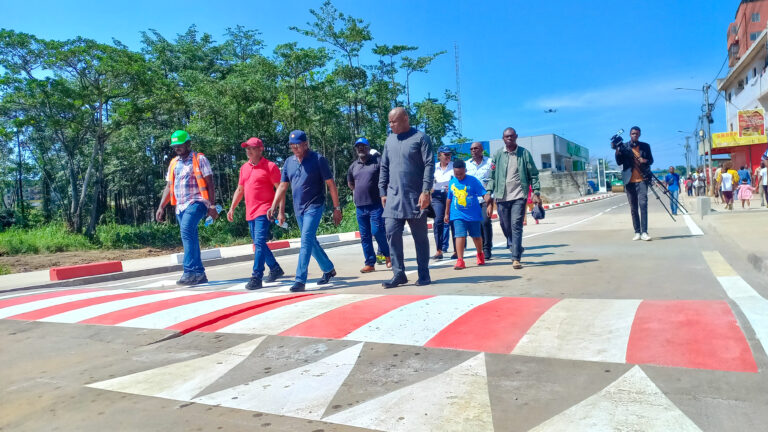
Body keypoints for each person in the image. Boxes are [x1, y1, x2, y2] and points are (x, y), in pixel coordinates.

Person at [268, 130, 342, 292]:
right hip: (298, 208)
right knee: (310, 241)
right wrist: (274, 207)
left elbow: (331, 185)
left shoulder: (318, 160)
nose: (294, 147)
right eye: (292, 145)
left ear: (306, 144)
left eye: (297, 144)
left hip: (315, 206)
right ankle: (328, 269)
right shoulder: (288, 162)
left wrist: (337, 208)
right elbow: (282, 186)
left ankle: (300, 279)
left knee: (306, 240)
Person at [379, 107, 434, 288]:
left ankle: (424, 274)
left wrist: (426, 190)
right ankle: (399, 273)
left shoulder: (420, 138)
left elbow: (428, 164)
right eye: (389, 121)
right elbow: (384, 167)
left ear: (405, 119)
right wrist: (382, 191)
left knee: (420, 237)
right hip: (393, 197)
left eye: (394, 121)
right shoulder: (389, 140)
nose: (391, 124)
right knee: (391, 233)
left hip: (415, 197)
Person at [155, 130, 218, 285]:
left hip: (197, 202)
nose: (177, 148)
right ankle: (199, 273)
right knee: (191, 236)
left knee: (186, 232)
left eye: (180, 144)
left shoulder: (199, 159)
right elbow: (169, 187)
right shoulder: (173, 163)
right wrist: (161, 206)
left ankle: (189, 271)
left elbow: (209, 183)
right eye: (175, 145)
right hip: (180, 206)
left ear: (188, 143)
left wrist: (212, 205)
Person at [227, 137, 286, 290]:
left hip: (265, 210)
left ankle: (256, 276)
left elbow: (281, 190)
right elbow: (240, 190)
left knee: (259, 242)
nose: (248, 151)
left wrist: (280, 211)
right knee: (258, 243)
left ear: (261, 149)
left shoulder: (270, 166)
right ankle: (275, 268)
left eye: (252, 148)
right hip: (250, 211)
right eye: (247, 148)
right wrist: (232, 207)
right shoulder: (244, 168)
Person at [487, 127, 541, 269]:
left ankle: (515, 257)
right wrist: (488, 191)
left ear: (516, 136)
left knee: (516, 225)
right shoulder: (498, 155)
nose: (509, 138)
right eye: (506, 136)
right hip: (501, 196)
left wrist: (536, 192)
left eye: (511, 136)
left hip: (519, 195)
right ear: (503, 138)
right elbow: (492, 176)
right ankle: (514, 245)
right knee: (505, 225)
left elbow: (534, 174)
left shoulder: (524, 154)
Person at [347, 137, 391, 273]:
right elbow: (351, 183)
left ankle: (389, 256)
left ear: (368, 148)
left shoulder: (377, 162)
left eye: (363, 146)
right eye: (358, 146)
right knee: (365, 236)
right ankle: (370, 263)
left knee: (377, 231)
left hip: (376, 205)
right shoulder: (353, 166)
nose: (360, 148)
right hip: (360, 206)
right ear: (356, 149)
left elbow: (386, 179)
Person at [445, 160, 488, 269]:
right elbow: (449, 199)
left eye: (461, 173)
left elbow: (483, 193)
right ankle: (460, 260)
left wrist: (489, 203)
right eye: (456, 174)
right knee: (459, 235)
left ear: (465, 170)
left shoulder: (473, 181)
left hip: (473, 214)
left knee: (476, 236)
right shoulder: (452, 182)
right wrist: (446, 213)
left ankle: (480, 254)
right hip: (457, 214)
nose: (459, 176)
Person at [614, 126, 654, 241]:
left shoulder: (645, 146)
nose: (634, 135)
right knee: (633, 208)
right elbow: (619, 162)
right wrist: (617, 150)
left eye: (636, 133)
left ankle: (644, 232)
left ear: (639, 134)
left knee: (643, 205)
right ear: (630, 135)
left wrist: (644, 160)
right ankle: (637, 232)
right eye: (632, 133)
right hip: (629, 180)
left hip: (642, 180)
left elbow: (651, 160)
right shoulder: (624, 146)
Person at [465, 142, 494, 259]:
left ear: (482, 149)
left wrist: (491, 200)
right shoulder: (467, 164)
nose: (473, 150)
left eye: (476, 148)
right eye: (471, 149)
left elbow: (494, 179)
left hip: (486, 198)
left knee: (485, 222)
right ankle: (480, 249)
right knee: (477, 225)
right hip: (472, 201)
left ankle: (487, 248)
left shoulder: (490, 162)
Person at [431, 146, 455, 260]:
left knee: (454, 221)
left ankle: (456, 250)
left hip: (451, 195)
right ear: (439, 155)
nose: (448, 157)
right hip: (437, 196)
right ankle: (439, 250)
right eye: (445, 154)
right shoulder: (433, 167)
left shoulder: (454, 166)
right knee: (438, 221)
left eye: (449, 154)